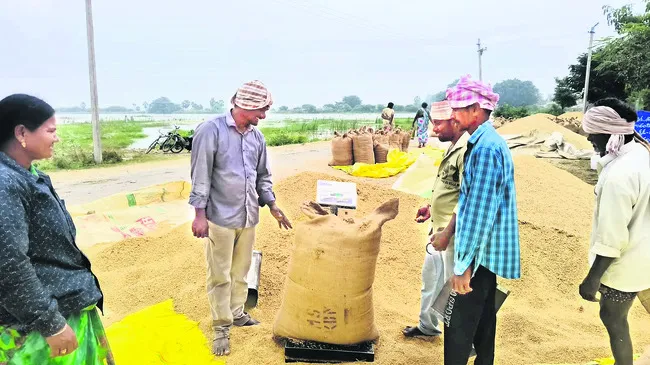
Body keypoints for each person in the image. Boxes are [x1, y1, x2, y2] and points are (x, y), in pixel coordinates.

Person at [0, 94, 113, 364]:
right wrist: (50, 324)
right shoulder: (6, 184)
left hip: (64, 308)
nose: (57, 138)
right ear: (22, 133)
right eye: (51, 131)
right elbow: (9, 264)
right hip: (38, 330)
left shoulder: (28, 174)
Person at [189, 80, 293, 357]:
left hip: (248, 216)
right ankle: (221, 328)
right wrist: (199, 215)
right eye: (262, 110)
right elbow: (201, 176)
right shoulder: (211, 131)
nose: (264, 116)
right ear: (247, 106)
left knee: (241, 272)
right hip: (219, 218)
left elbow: (262, 176)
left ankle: (237, 313)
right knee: (220, 275)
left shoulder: (257, 138)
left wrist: (272, 204)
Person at [443, 75, 520, 365]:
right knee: (483, 327)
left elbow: (478, 213)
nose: (453, 115)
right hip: (485, 258)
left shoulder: (486, 149)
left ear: (476, 110)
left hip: (478, 258)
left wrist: (463, 267)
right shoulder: (484, 142)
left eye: (458, 109)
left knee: (459, 329)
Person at [579, 97, 650, 365]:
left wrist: (592, 278)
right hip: (645, 255)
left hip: (627, 263)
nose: (588, 139)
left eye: (592, 133)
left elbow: (612, 237)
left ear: (610, 133)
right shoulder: (642, 154)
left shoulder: (619, 175)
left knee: (613, 317)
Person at [402, 101, 469, 339]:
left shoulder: (467, 151)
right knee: (431, 280)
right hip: (439, 228)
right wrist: (430, 206)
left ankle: (462, 338)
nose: (434, 130)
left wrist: (447, 233)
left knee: (454, 289)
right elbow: (448, 187)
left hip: (452, 234)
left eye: (439, 124)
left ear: (455, 121)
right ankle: (427, 326)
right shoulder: (452, 147)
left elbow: (467, 199)